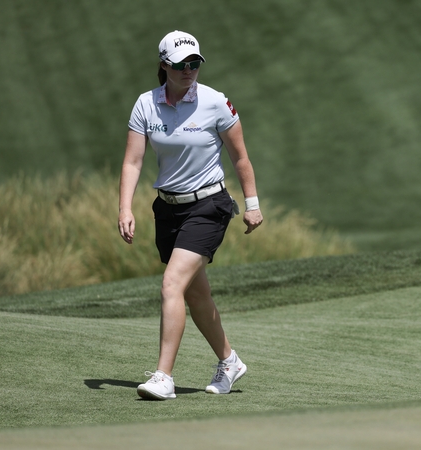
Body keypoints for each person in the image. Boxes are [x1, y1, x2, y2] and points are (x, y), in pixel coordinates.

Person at [118, 30, 263, 400]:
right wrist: (124, 207)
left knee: (171, 285)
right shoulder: (145, 105)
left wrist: (252, 204)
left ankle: (163, 377)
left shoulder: (216, 102)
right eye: (182, 64)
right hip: (168, 210)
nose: (189, 70)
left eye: (195, 63)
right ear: (164, 65)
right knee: (197, 296)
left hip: (209, 206)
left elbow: (240, 157)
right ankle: (229, 361)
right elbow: (133, 161)